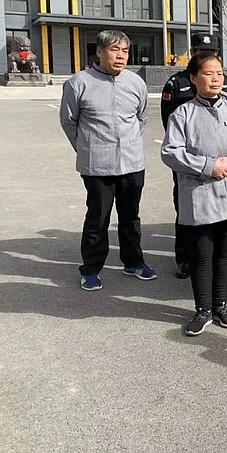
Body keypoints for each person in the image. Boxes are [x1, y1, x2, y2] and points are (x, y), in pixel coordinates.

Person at [162, 52, 227, 336]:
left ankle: (221, 305)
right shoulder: (183, 114)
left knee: (223, 255)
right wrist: (208, 166)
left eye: (219, 73)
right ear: (193, 78)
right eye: (208, 73)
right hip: (200, 195)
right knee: (202, 255)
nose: (215, 79)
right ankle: (202, 309)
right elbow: (170, 152)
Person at [59, 30, 156, 291]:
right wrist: (87, 148)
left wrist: (128, 143)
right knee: (98, 219)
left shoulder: (135, 83)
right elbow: (69, 122)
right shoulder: (78, 83)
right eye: (115, 50)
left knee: (130, 217)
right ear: (100, 52)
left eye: (125, 51)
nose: (121, 56)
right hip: (97, 166)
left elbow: (141, 118)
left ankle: (133, 262)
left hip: (132, 164)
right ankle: (91, 269)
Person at [160, 33, 227, 279]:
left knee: (221, 208)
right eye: (202, 52)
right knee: (187, 209)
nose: (207, 56)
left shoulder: (225, 81)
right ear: (192, 53)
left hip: (221, 162)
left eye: (211, 53)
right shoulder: (177, 82)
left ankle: (218, 257)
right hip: (189, 159)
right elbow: (168, 121)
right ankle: (185, 258)